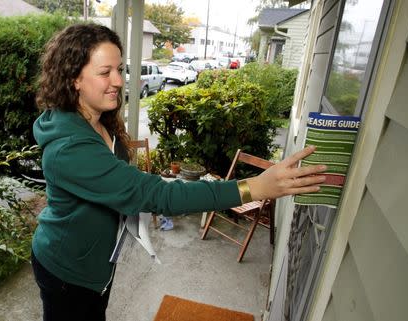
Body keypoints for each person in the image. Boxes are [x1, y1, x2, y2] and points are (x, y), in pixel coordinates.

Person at [31, 23, 326, 321]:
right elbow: (154, 194)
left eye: (120, 69)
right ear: (74, 79)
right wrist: (254, 188)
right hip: (68, 272)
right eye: (105, 72)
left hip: (95, 261)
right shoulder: (70, 148)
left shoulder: (98, 119)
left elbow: (123, 183)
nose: (119, 81)